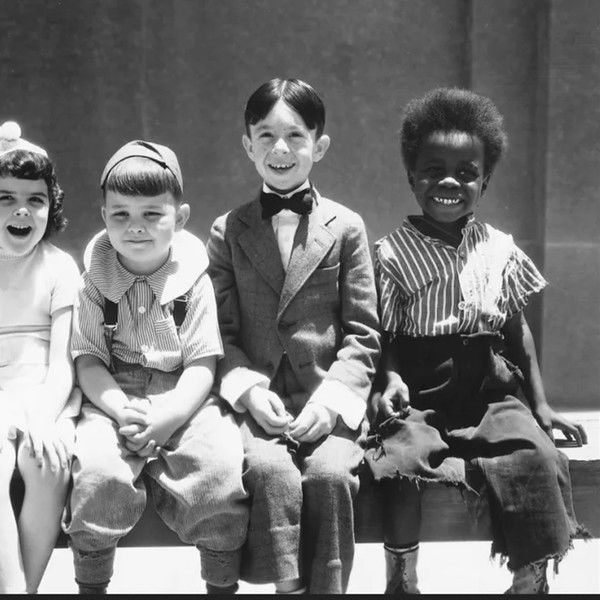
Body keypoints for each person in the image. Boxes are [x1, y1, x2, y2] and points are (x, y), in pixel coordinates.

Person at [367, 87, 588, 594]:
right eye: (433, 170)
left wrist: (542, 406)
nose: (449, 182)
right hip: (419, 389)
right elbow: (387, 334)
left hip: (489, 388)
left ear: (484, 181)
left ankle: (530, 578)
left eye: (466, 172)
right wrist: (390, 379)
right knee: (398, 460)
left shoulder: (500, 249)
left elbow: (517, 330)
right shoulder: (391, 254)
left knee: (535, 453)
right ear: (411, 176)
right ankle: (402, 578)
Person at [207, 78, 381, 594]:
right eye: (265, 135)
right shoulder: (227, 230)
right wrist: (248, 392)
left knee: (329, 477)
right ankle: (288, 588)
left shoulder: (346, 227)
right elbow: (219, 331)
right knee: (269, 473)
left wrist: (332, 402)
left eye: (295, 136)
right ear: (248, 146)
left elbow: (364, 332)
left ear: (318, 146)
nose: (279, 149)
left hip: (329, 401)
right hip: (262, 404)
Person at [63, 140, 249, 594]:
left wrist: (171, 415)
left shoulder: (194, 280)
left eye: (152, 213)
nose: (136, 226)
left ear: (179, 218)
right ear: (103, 216)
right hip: (112, 392)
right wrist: (118, 407)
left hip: (184, 392)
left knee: (219, 470)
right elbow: (88, 360)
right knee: (97, 473)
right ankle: (92, 585)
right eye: (120, 213)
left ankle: (220, 584)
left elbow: (203, 363)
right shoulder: (94, 283)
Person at [0, 121, 81, 593]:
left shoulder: (59, 267)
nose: (22, 211)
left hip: (45, 393)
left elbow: (62, 364)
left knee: (46, 461)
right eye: (5, 198)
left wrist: (42, 416)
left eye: (36, 200)